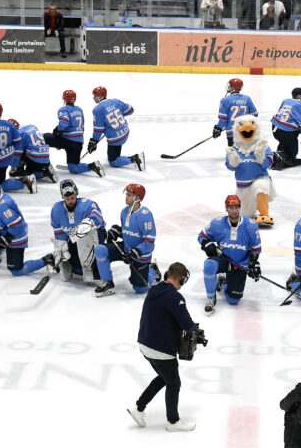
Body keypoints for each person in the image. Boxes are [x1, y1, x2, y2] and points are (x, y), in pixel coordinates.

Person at [128, 262, 197, 432]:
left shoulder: (154, 289)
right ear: (181, 279)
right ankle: (173, 421)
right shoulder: (176, 297)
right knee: (174, 383)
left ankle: (139, 408)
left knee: (164, 377)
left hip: (144, 344)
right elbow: (188, 325)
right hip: (160, 349)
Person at [198, 195, 261, 314]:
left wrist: (253, 262)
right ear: (226, 209)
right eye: (231, 208)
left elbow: (256, 247)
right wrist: (207, 244)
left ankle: (223, 282)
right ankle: (211, 297)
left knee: (233, 300)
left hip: (240, 263)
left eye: (236, 207)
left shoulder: (251, 225)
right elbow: (201, 236)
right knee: (209, 265)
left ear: (240, 208)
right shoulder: (217, 224)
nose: (234, 210)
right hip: (223, 259)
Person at [94, 183, 160, 297]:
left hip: (140, 255)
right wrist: (117, 231)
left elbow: (149, 242)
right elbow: (128, 232)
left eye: (129, 195)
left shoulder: (145, 216)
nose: (126, 197)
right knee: (100, 249)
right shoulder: (124, 211)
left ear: (137, 198)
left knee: (140, 289)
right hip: (126, 248)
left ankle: (152, 269)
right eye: (127, 194)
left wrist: (136, 252)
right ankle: (107, 281)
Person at [0, 178, 55, 276]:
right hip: (8, 232)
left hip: (17, 237)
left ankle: (46, 260)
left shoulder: (4, 205)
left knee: (16, 271)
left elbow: (18, 226)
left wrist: (5, 239)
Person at [50, 179, 106, 283]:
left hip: (95, 236)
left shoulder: (87, 204)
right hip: (74, 239)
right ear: (63, 198)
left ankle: (95, 265)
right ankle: (51, 259)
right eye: (67, 199)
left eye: (72, 198)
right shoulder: (56, 209)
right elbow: (59, 232)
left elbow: (98, 219)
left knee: (93, 271)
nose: (70, 201)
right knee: (78, 270)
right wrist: (62, 247)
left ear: (76, 195)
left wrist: (83, 227)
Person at [0, 102, 36, 194]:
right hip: (9, 157)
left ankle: (24, 181)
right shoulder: (10, 125)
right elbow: (18, 142)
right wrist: (15, 160)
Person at [225, 115, 274, 225]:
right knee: (246, 216)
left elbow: (267, 164)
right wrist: (234, 161)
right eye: (241, 125)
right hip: (243, 187)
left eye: (252, 123)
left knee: (261, 186)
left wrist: (260, 155)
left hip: (260, 179)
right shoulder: (234, 149)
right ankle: (249, 212)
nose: (247, 127)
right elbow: (230, 167)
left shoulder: (262, 145)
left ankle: (264, 214)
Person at [45, 90, 104, 177]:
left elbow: (64, 122)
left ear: (64, 99)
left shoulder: (63, 109)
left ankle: (43, 166)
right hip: (78, 143)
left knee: (42, 138)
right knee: (73, 167)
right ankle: (92, 166)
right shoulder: (79, 110)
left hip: (67, 141)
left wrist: (58, 130)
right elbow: (82, 125)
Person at [91, 86, 145, 170]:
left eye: (95, 96)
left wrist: (94, 141)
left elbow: (98, 129)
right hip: (125, 131)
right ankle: (116, 154)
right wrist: (118, 114)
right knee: (115, 149)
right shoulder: (115, 101)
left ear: (100, 96)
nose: (93, 98)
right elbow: (130, 110)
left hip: (116, 137)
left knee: (113, 161)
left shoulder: (97, 110)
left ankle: (135, 158)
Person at [271, 87, 301, 169]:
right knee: (293, 152)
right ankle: (285, 158)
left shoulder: (286, 101)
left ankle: (280, 152)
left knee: (285, 141)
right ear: (298, 96)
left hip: (275, 128)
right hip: (286, 132)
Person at [7, 119, 57, 183]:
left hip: (35, 158)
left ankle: (20, 171)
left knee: (26, 173)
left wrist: (13, 167)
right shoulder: (32, 126)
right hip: (46, 157)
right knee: (29, 170)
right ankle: (46, 170)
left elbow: (17, 153)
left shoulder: (19, 134)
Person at [213, 78, 258, 147]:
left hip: (232, 133)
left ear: (233, 88)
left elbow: (223, 120)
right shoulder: (247, 98)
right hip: (247, 132)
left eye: (230, 86)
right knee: (246, 154)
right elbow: (255, 114)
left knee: (234, 155)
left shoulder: (225, 100)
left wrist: (218, 128)